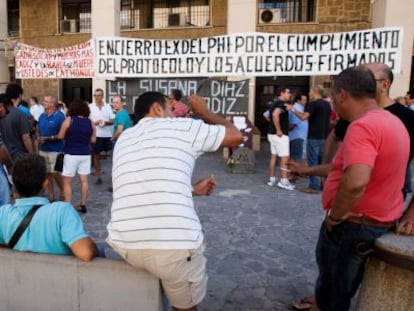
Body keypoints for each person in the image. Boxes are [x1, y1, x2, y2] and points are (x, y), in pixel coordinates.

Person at [106, 92, 243, 311]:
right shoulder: (181, 127)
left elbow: (149, 183)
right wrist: (204, 112)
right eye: (170, 109)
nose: (175, 114)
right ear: (157, 109)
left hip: (125, 243)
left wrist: (191, 190)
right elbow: (236, 136)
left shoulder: (125, 139)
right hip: (174, 247)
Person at [295, 66, 410, 311]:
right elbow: (347, 168)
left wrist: (335, 216)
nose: (333, 104)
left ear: (342, 94)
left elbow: (357, 180)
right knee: (341, 290)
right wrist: (308, 171)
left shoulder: (362, 126)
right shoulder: (392, 121)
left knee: (332, 296)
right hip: (376, 221)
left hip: (353, 225)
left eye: (334, 97)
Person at [0, 154, 98, 261]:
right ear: (46, 184)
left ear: (14, 184)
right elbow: (85, 252)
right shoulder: (62, 211)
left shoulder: (3, 213)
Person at [285, 85, 331, 194]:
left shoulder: (313, 104)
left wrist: (292, 109)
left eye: (311, 91)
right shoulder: (327, 105)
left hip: (314, 136)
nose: (309, 93)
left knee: (313, 162)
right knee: (322, 162)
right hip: (324, 136)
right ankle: (323, 184)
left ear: (315, 92)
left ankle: (314, 186)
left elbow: (303, 117)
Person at [57, 99, 96, 214]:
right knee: (84, 180)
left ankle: (68, 205)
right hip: (85, 154)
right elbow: (93, 139)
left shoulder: (69, 120)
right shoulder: (90, 122)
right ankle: (83, 204)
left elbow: (60, 136)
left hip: (71, 153)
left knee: (67, 181)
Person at [37, 95, 65, 202]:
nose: (43, 102)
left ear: (52, 104)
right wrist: (38, 137)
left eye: (45, 101)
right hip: (43, 149)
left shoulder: (60, 116)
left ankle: (63, 190)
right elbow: (39, 129)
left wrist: (48, 138)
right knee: (47, 173)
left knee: (55, 172)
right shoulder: (41, 116)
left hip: (55, 149)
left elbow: (63, 134)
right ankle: (51, 196)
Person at [266, 86, 295, 190]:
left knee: (274, 156)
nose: (290, 94)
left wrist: (273, 126)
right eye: (288, 92)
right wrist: (278, 129)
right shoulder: (281, 104)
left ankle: (272, 178)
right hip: (280, 135)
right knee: (284, 158)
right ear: (282, 93)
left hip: (271, 134)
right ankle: (284, 180)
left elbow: (267, 115)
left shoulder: (274, 103)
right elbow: (275, 115)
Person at [0, 84, 34, 160]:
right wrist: (32, 155)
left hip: (6, 155)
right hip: (20, 156)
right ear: (19, 95)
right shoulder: (20, 114)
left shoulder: (3, 117)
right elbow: (26, 138)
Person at [89, 88, 114, 185]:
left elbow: (112, 120)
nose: (96, 97)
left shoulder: (107, 106)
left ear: (102, 96)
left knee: (110, 155)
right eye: (95, 95)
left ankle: (114, 175)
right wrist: (95, 123)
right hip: (96, 134)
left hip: (107, 134)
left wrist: (106, 122)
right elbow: (87, 121)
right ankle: (98, 176)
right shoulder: (90, 107)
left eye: (99, 95)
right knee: (96, 155)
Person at [288, 93, 308, 162]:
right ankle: (292, 172)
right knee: (296, 158)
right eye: (303, 100)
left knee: (295, 157)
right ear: (298, 101)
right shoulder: (296, 108)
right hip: (298, 136)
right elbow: (293, 124)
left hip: (299, 135)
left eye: (306, 100)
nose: (305, 102)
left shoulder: (300, 108)